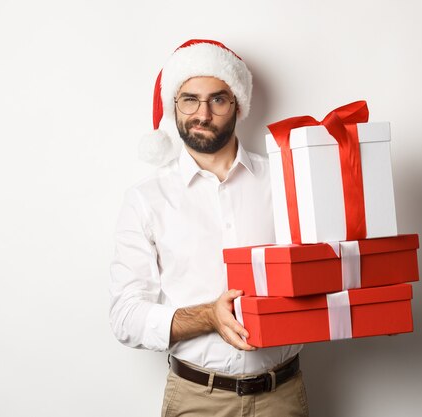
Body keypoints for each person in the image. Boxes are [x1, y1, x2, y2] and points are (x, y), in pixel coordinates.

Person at [109, 39, 308, 417]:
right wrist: (207, 316)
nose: (203, 113)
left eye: (218, 99)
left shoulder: (286, 182)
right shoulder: (146, 199)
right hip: (198, 399)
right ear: (174, 106)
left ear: (237, 106)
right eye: (190, 99)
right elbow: (125, 316)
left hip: (282, 397)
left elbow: (320, 270)